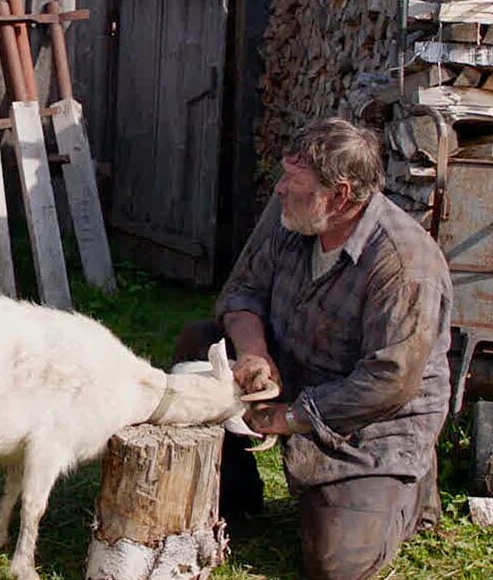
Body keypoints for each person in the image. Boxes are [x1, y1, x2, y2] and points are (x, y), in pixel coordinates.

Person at [174, 117, 453, 580]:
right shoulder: (295, 219)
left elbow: (388, 382)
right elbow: (242, 293)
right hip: (296, 366)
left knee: (335, 567)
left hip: (371, 422)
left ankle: (409, 487)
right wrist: (254, 354)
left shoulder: (404, 265)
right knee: (199, 344)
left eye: (293, 180)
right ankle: (233, 495)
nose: (280, 189)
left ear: (340, 194)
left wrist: (290, 417)